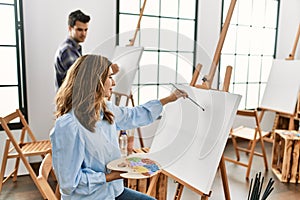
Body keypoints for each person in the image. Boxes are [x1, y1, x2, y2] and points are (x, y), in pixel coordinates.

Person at [50, 54, 187, 199]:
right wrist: (110, 176)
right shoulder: (68, 125)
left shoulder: (105, 109)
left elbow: (133, 115)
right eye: (109, 77)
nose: (114, 83)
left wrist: (170, 98)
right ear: (95, 81)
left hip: (113, 192)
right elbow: (68, 183)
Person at [54, 9, 90, 90]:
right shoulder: (68, 50)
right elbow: (81, 78)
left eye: (86, 30)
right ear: (70, 28)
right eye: (79, 30)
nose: (84, 34)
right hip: (70, 101)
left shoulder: (75, 49)